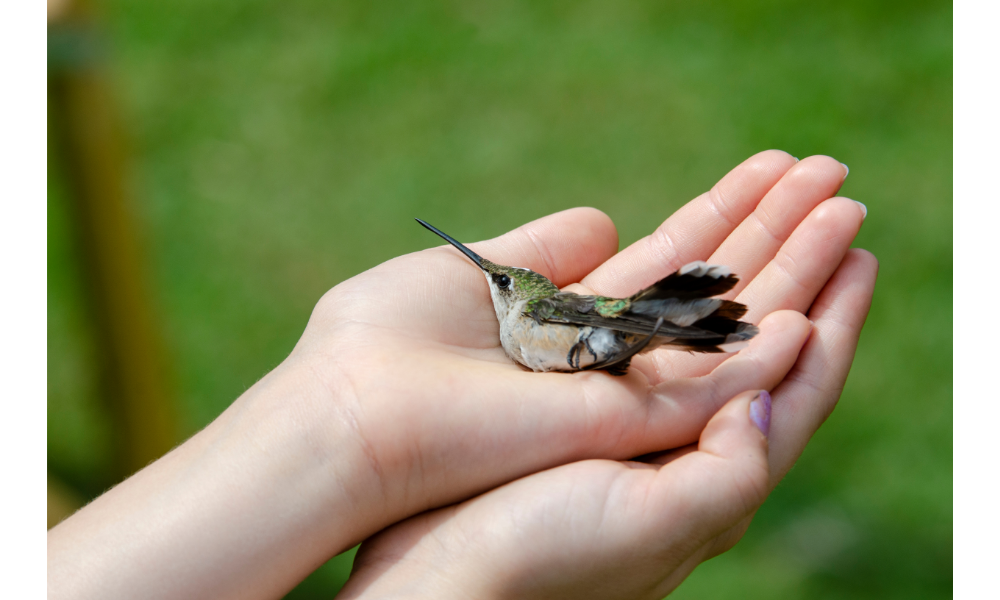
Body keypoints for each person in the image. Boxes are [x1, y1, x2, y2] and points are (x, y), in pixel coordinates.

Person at [47, 151, 876, 600]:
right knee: (648, 321)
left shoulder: (539, 313)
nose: (491, 280)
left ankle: (682, 316)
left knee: (640, 321)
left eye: (500, 279)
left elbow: (581, 323)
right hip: (594, 343)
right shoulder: (518, 315)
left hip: (591, 336)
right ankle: (684, 318)